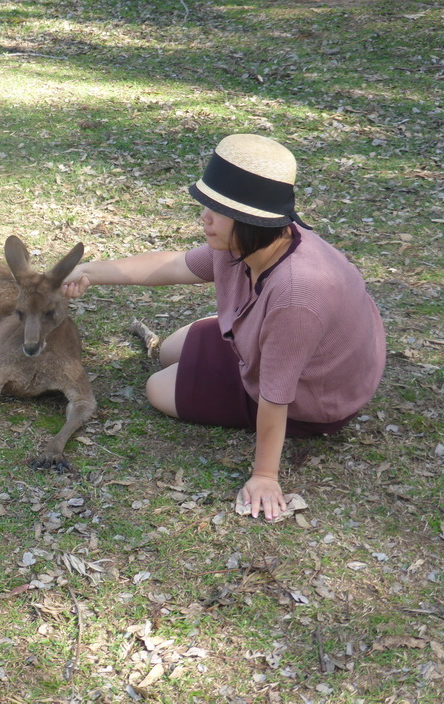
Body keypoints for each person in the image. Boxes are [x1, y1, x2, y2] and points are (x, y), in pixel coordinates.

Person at [63, 134, 385, 521]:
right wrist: (89, 271)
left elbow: (276, 392)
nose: (204, 217)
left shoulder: (297, 295)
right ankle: (235, 344)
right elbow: (176, 265)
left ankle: (256, 395)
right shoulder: (251, 244)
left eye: (217, 209)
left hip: (313, 394)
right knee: (169, 349)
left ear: (252, 218)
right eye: (206, 205)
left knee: (157, 388)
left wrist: (264, 475)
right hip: (276, 348)